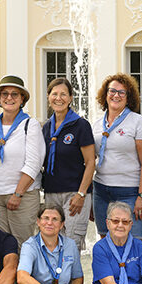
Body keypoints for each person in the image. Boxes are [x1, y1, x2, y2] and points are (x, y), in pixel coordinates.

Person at [0, 75, 44, 247]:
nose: (9, 98)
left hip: (22, 197)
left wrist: (18, 194)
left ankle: (22, 275)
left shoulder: (31, 125)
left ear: (22, 99)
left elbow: (34, 163)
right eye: (5, 94)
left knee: (22, 246)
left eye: (15, 94)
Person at [91, 73, 142, 240]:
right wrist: (90, 196)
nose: (116, 95)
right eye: (112, 91)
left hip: (129, 192)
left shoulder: (137, 122)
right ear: (105, 94)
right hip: (101, 190)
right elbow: (91, 161)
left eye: (121, 92)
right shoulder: (96, 124)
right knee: (105, 241)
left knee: (133, 241)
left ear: (128, 97)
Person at [40, 78, 95, 251]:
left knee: (71, 244)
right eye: (54, 94)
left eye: (63, 94)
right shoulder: (46, 127)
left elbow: (90, 162)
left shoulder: (81, 125)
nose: (59, 98)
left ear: (71, 98)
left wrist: (81, 194)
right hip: (51, 194)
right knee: (51, 243)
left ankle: (72, 279)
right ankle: (54, 279)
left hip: (74, 195)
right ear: (48, 97)